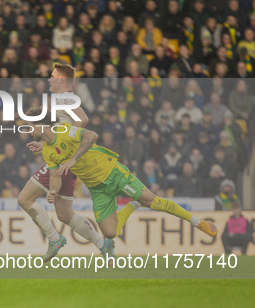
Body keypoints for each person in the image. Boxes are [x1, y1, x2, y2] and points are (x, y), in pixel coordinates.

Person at [25, 106, 218, 261]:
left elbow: (91, 135)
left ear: (41, 125)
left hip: (113, 174)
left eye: (29, 126)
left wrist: (73, 159)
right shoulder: (47, 151)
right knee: (110, 233)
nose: (28, 131)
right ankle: (134, 204)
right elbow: (55, 176)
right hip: (97, 189)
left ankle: (199, 223)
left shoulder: (64, 129)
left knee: (154, 202)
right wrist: (52, 191)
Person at [17, 63, 106, 262]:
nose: (48, 79)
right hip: (65, 159)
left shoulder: (65, 98)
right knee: (65, 215)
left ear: (61, 80)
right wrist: (47, 144)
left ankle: (54, 238)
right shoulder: (60, 99)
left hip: (62, 159)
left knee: (24, 199)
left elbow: (82, 120)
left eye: (52, 76)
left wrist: (67, 144)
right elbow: (60, 130)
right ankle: (103, 244)